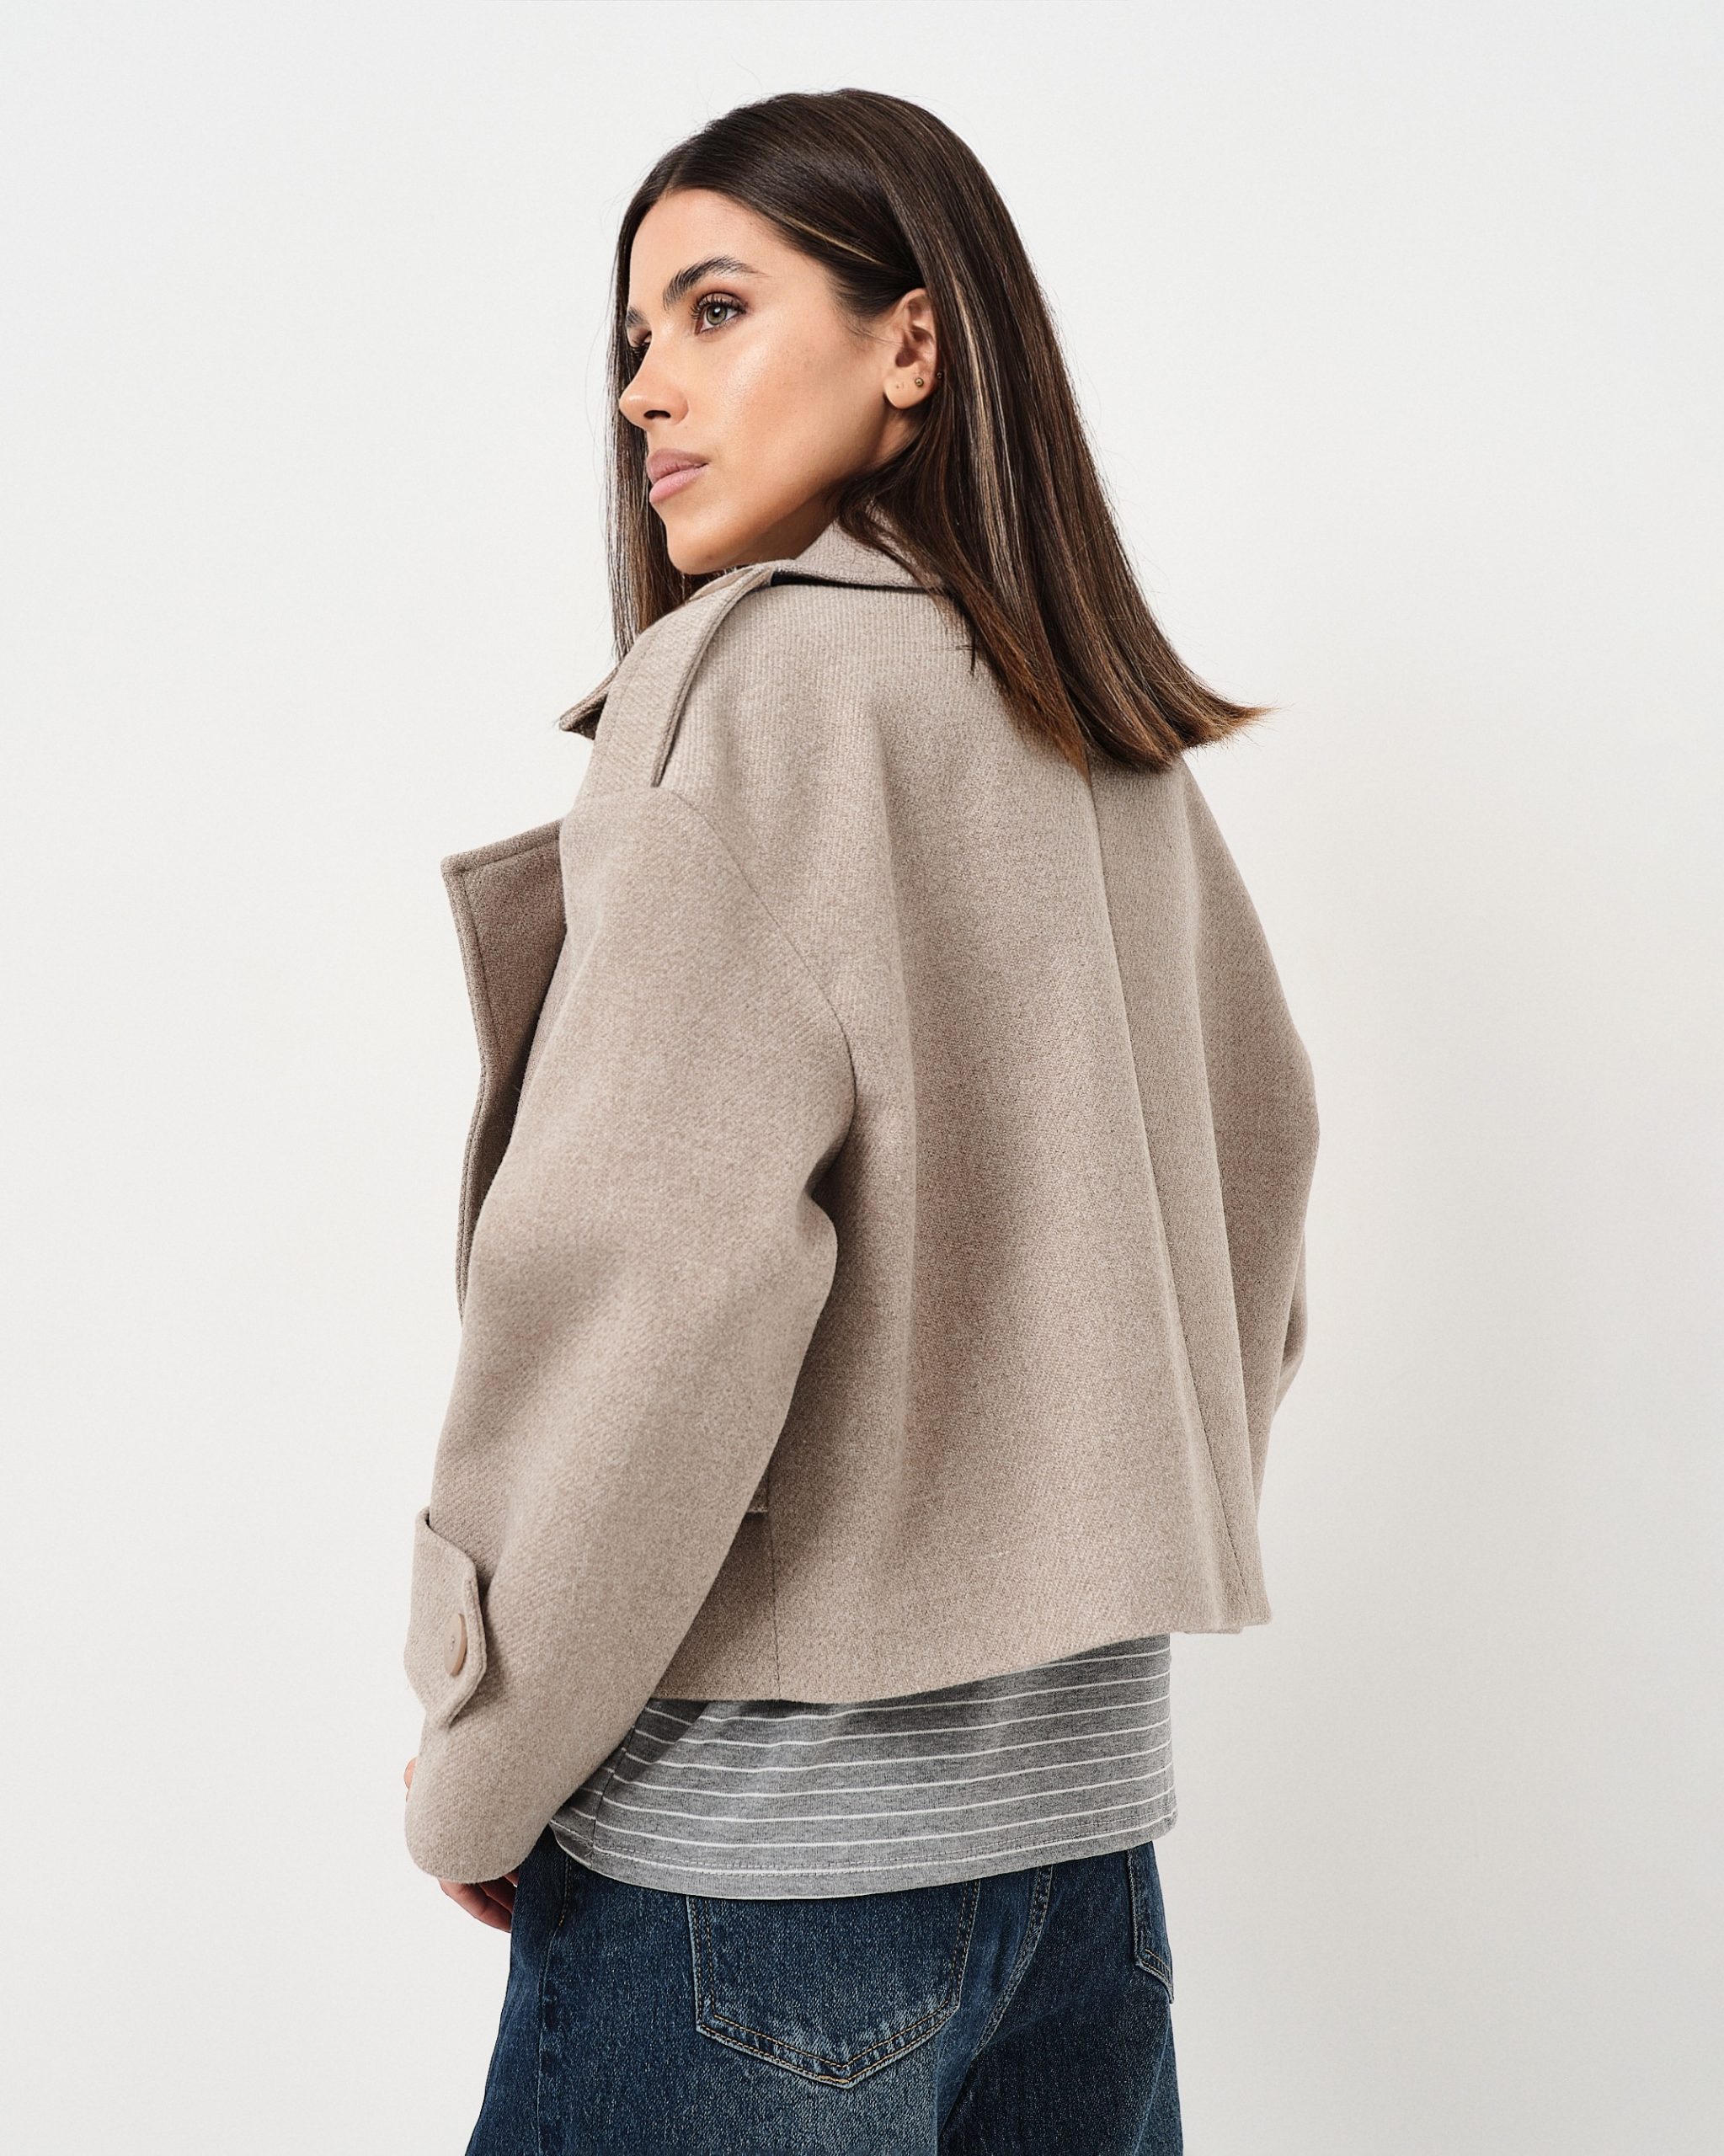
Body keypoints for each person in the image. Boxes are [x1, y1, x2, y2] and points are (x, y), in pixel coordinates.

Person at [399, 88, 1317, 2154]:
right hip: (1084, 1859)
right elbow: (1257, 1180)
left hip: (757, 1873)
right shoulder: (1100, 718)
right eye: (635, 336)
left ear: (912, 342)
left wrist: (485, 1758)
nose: (647, 387)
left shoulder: (748, 694)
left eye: (716, 309)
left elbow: (657, 1294)